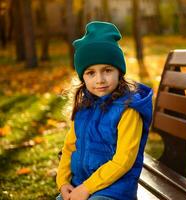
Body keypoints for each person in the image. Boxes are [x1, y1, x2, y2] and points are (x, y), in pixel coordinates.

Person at [56, 21, 153, 200]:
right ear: (82, 77)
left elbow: (124, 160)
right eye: (91, 73)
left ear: (119, 72)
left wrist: (87, 188)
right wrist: (63, 182)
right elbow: (69, 147)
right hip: (80, 184)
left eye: (107, 70)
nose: (100, 79)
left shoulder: (128, 110)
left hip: (115, 191)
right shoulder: (83, 107)